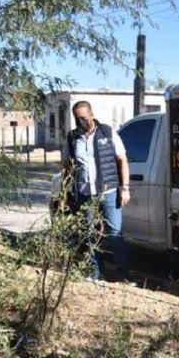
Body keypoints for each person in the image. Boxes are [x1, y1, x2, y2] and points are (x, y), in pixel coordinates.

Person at [61, 101, 131, 282]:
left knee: (115, 233)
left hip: (109, 192)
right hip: (84, 194)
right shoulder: (72, 137)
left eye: (83, 118)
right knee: (89, 234)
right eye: (76, 118)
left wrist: (125, 188)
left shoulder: (107, 132)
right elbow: (67, 168)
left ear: (91, 115)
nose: (80, 122)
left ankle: (123, 276)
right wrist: (64, 193)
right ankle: (95, 273)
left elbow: (122, 159)